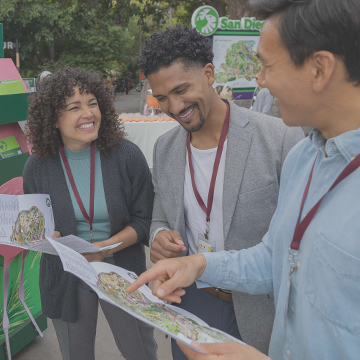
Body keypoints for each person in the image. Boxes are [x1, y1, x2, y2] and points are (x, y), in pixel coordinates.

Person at [128, 0, 360, 359]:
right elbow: (276, 258)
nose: (259, 81)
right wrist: (197, 264)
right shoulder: (306, 157)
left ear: (319, 68)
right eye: (162, 98)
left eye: (267, 66)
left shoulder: (281, 141)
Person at [138, 25, 304, 358]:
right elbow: (161, 214)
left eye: (181, 89)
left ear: (209, 73)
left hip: (257, 309)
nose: (174, 106)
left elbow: (293, 249)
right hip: (189, 300)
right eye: (163, 97)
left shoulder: (280, 139)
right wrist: (158, 236)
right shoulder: (165, 148)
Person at [23, 68, 158, 360]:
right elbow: (36, 227)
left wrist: (105, 248)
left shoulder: (126, 156)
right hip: (67, 273)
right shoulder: (38, 167)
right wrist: (46, 238)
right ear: (53, 119)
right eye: (74, 107)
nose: (88, 113)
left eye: (93, 103)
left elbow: (145, 220)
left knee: (140, 352)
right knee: (76, 354)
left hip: (123, 270)